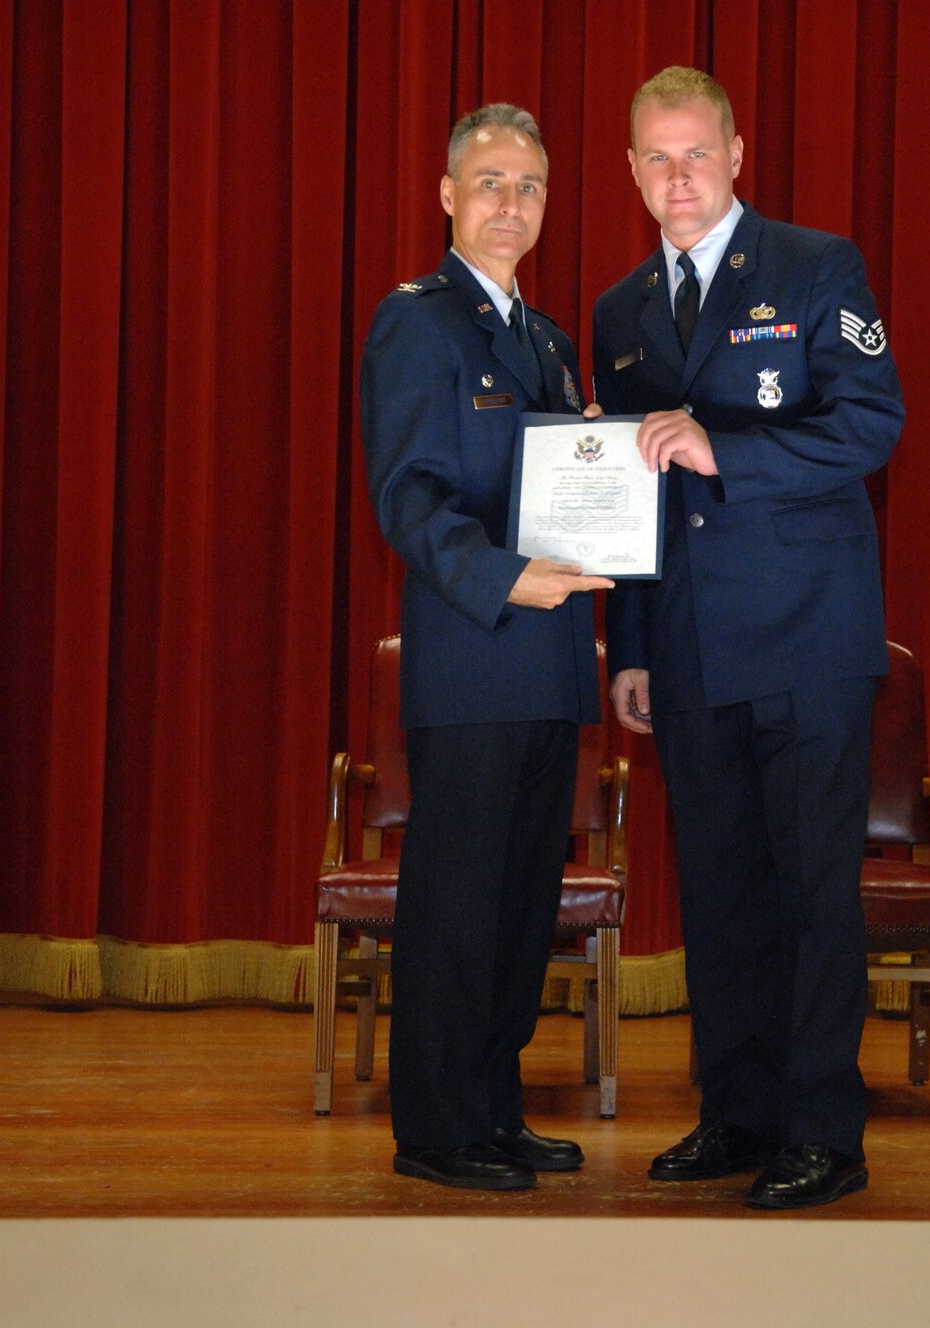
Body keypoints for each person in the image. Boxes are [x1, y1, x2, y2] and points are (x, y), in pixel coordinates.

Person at [594, 66, 904, 1209]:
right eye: (655, 159)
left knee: (813, 891)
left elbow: (873, 419)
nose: (678, 178)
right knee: (717, 892)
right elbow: (626, 495)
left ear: (735, 152)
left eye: (696, 153)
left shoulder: (816, 266)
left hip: (806, 637)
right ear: (630, 171)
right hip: (682, 648)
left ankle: (823, 1129)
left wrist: (729, 450)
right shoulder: (618, 310)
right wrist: (628, 640)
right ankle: (735, 1110)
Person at [358, 103, 611, 1191]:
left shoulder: (549, 342)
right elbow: (407, 497)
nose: (511, 203)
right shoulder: (417, 322)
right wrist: (504, 572)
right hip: (471, 657)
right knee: (457, 904)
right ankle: (436, 1126)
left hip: (550, 667)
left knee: (518, 910)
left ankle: (494, 1108)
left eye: (530, 186)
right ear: (449, 197)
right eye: (491, 182)